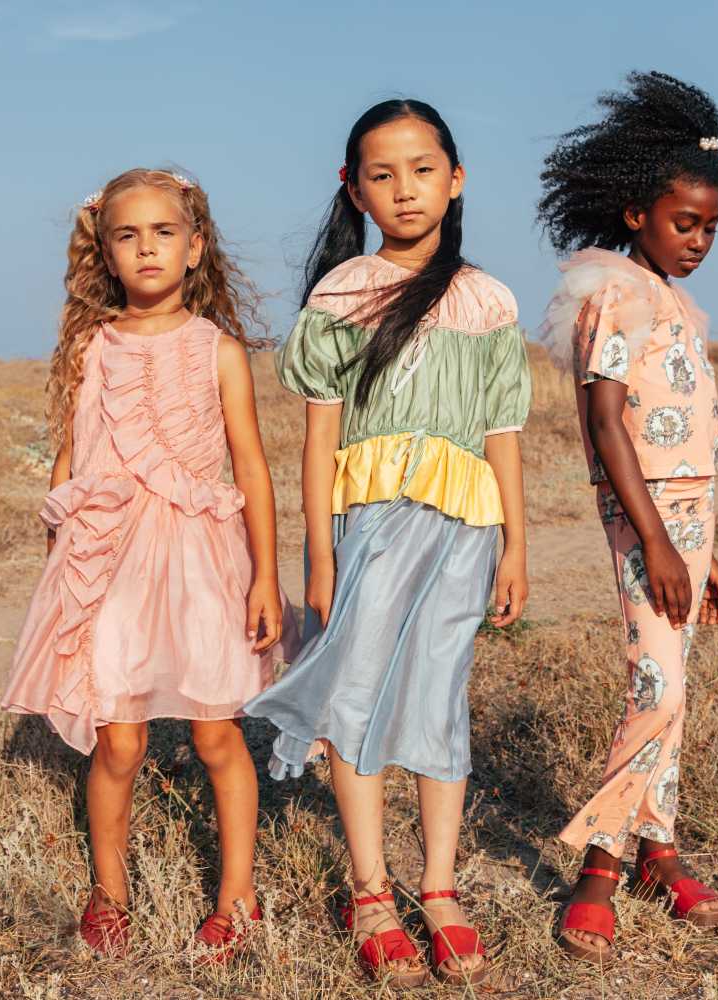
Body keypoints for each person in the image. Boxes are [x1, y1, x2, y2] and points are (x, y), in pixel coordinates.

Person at [244, 100, 531, 987]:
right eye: (382, 173)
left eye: (421, 169)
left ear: (457, 178)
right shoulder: (341, 296)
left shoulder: (487, 300)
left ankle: (438, 888)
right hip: (363, 525)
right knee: (356, 699)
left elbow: (503, 432)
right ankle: (370, 889)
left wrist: (517, 545)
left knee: (441, 694)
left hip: (463, 526)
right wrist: (318, 556)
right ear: (355, 188)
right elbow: (318, 439)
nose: (404, 190)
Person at [1, 168, 297, 961]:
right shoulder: (90, 350)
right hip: (113, 564)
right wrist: (64, 567)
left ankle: (238, 898)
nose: (147, 248)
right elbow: (69, 465)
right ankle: (109, 892)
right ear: (106, 251)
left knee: (215, 736)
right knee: (120, 741)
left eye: (164, 232)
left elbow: (252, 470)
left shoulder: (218, 351)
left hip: (202, 563)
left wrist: (265, 575)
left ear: (195, 247)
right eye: (127, 235)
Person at [538, 72, 718, 966]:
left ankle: (660, 849)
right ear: (633, 214)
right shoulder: (613, 292)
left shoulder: (676, 303)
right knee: (655, 687)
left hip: (693, 520)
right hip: (643, 522)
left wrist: (706, 551)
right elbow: (607, 419)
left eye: (708, 227)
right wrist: (656, 540)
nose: (696, 241)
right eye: (682, 223)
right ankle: (600, 871)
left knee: (676, 696)